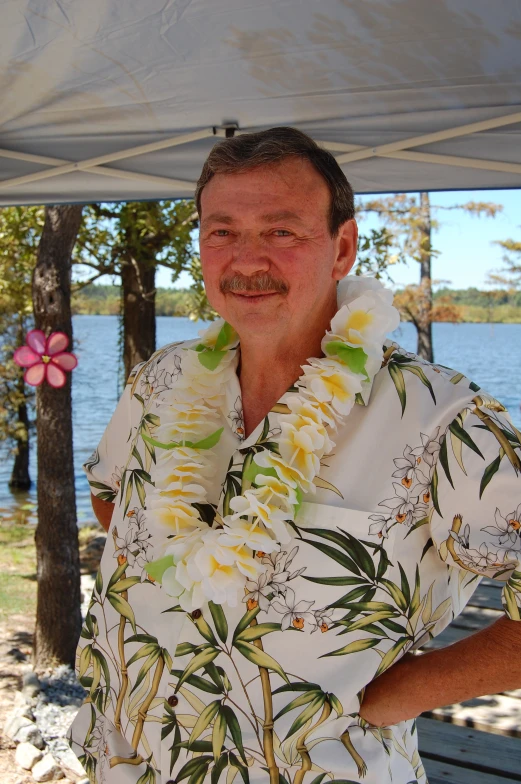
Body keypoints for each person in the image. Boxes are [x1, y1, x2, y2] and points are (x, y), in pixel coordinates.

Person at [68, 127, 521, 784]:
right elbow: (112, 493)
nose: (247, 259)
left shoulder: (440, 418)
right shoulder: (161, 380)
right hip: (127, 762)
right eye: (221, 231)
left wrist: (398, 696)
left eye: (281, 232)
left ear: (341, 248)